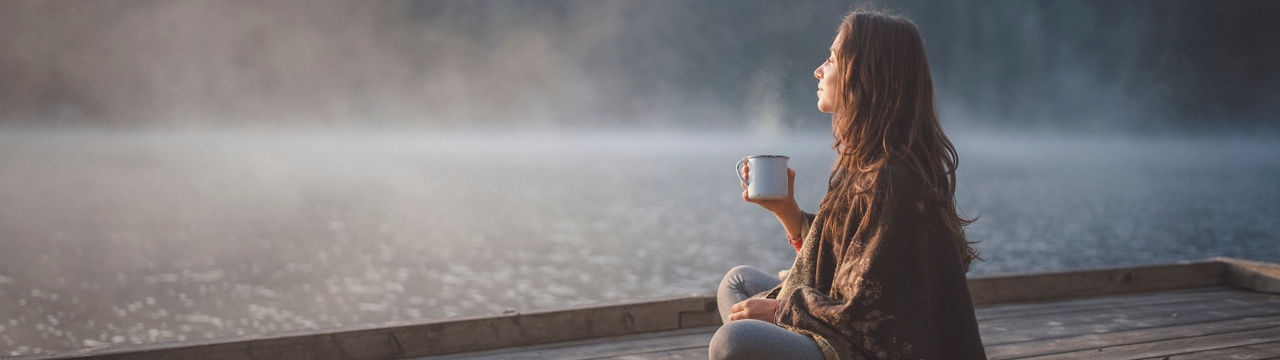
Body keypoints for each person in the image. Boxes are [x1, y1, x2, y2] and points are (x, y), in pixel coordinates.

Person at [709, 7, 988, 360]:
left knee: (732, 342)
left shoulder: (893, 179)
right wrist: (787, 211)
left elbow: (869, 315)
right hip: (849, 328)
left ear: (865, 76)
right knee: (739, 283)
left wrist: (781, 312)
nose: (818, 70)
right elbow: (843, 262)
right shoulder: (872, 161)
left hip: (877, 349)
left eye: (831, 59)